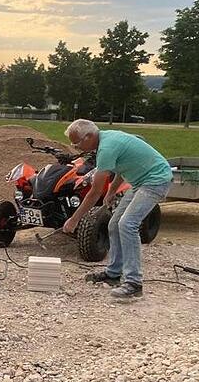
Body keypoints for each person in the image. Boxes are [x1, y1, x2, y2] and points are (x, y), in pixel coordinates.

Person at [62, 119, 172, 299]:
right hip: (139, 182)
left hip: (156, 181)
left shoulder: (106, 148)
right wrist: (112, 190)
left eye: (77, 143)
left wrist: (74, 220)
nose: (76, 147)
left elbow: (94, 192)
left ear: (89, 136)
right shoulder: (107, 140)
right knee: (114, 224)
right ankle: (114, 273)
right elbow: (123, 165)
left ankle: (134, 283)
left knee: (128, 224)